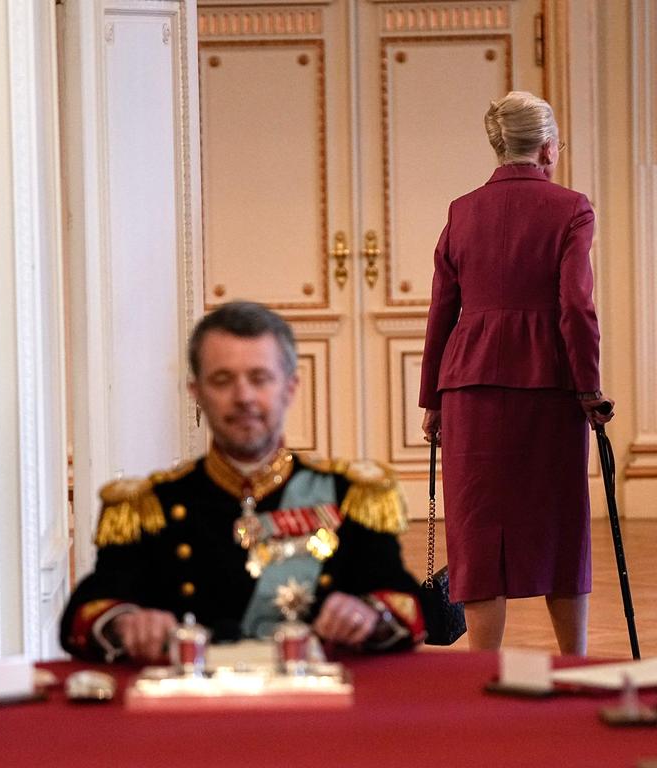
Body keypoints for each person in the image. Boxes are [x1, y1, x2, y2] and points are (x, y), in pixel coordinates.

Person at [61, 301, 426, 663]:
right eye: (223, 380)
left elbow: (405, 604)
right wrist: (124, 623)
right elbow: (87, 612)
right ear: (196, 393)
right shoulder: (150, 506)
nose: (243, 397)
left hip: (310, 708)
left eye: (259, 378)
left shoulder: (349, 496)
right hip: (193, 711)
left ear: (290, 387)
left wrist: (370, 615)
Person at [419, 91, 614, 655]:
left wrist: (432, 397)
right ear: (549, 147)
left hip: (470, 384)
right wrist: (589, 388)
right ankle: (572, 659)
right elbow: (576, 308)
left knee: (478, 525)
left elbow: (442, 308)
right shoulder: (571, 207)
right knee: (559, 522)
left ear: (498, 146)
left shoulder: (462, 210)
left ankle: (483, 667)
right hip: (548, 384)